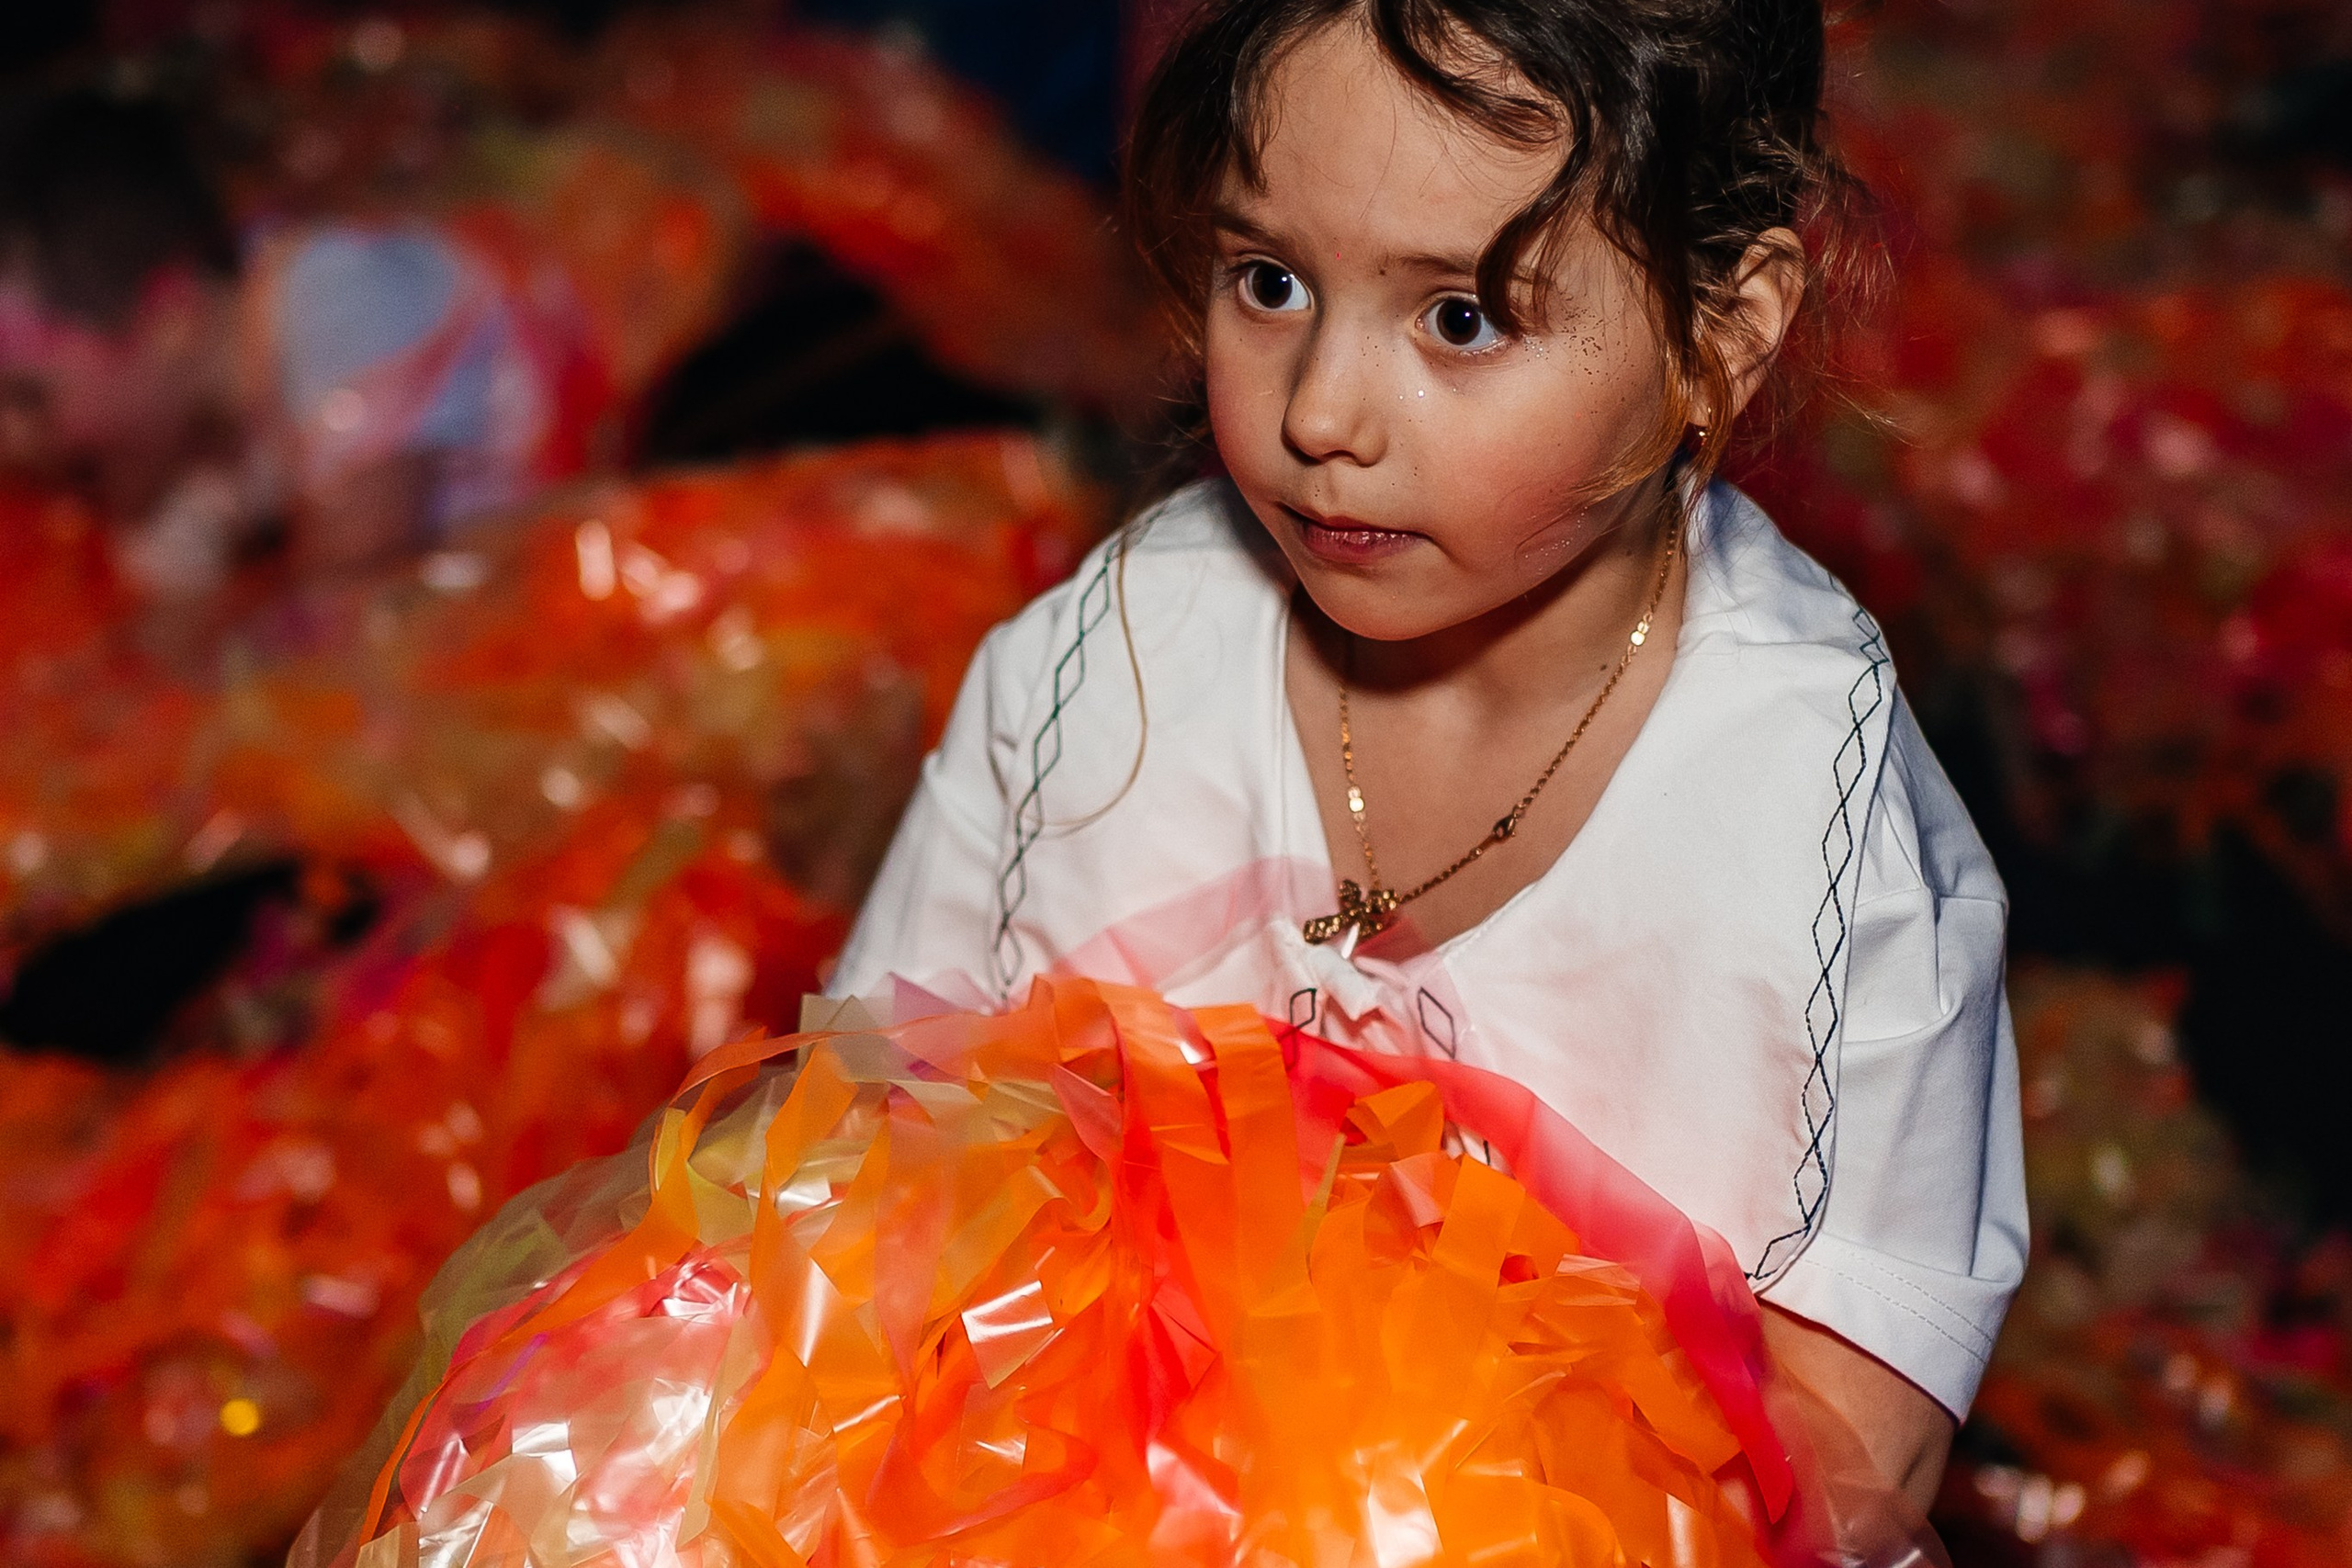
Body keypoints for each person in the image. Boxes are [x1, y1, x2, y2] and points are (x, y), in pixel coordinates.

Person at [831, 0, 2026, 1513]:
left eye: (1460, 317)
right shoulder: (1108, 674)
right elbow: (870, 1171)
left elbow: (1851, 1465)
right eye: (1267, 281)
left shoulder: (1818, 833)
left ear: (1721, 330)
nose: (1320, 412)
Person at [0, 88, 606, 598]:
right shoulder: (185, 459)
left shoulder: (337, 294)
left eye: (28, 396)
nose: (9, 441)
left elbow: (351, 594)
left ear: (172, 325)